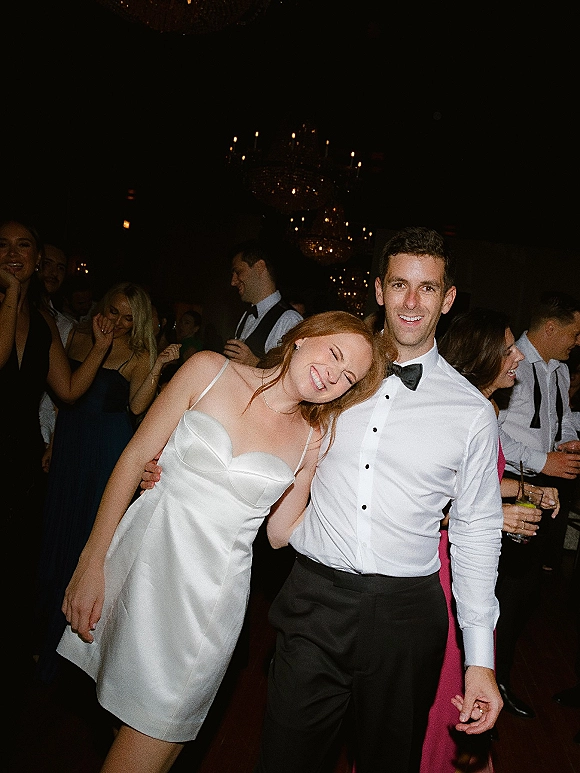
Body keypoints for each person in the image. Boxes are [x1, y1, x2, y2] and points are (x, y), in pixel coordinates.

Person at [57, 311, 388, 773]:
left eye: (348, 377)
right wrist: (91, 562)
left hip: (205, 608)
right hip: (138, 568)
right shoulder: (208, 371)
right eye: (334, 354)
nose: (333, 376)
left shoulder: (313, 439)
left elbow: (280, 533)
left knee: (147, 740)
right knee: (119, 716)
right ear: (303, 338)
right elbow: (134, 458)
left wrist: (378, 518)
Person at [244, 226, 504, 773]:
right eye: (400, 285)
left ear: (447, 299)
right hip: (314, 599)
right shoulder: (331, 374)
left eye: (428, 288)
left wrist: (481, 662)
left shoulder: (472, 413)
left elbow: (477, 532)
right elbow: (258, 421)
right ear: (379, 291)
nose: (412, 302)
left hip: (406, 618)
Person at [34, 281, 180, 684]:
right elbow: (65, 393)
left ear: (140, 323)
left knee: (85, 535)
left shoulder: (136, 352)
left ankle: (67, 646)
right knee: (55, 530)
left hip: (104, 452)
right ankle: (42, 628)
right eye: (113, 310)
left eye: (128, 317)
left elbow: (136, 406)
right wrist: (51, 442)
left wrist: (156, 367)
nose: (117, 321)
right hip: (70, 446)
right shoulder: (78, 334)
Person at [435, 307, 561, 772]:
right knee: (449, 678)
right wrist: (496, 517)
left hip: (469, 561)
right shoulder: (460, 412)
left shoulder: (486, 407)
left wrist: (524, 489)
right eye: (508, 349)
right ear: (481, 354)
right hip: (443, 568)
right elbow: (430, 504)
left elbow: (481, 482)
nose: (518, 358)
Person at [0, 219, 114, 683]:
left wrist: (101, 348)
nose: (13, 253)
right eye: (3, 245)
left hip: (21, 461)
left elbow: (67, 389)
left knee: (15, 565)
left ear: (36, 257)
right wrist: (9, 294)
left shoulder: (43, 319)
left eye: (23, 246)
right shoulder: (6, 304)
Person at [495, 291, 580, 717]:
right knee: (506, 592)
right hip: (512, 485)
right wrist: (541, 459)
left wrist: (568, 438)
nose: (577, 341)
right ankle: (494, 680)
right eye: (574, 331)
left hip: (546, 488)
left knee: (526, 591)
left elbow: (558, 419)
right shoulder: (511, 361)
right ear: (550, 327)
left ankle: (499, 674)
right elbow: (493, 434)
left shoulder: (561, 371)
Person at [224, 240, 303, 367]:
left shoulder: (289, 320)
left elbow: (292, 374)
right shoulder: (247, 314)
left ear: (260, 267)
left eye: (238, 272)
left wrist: (255, 363)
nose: (233, 282)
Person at [37, 243, 75, 468]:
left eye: (60, 268)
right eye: (47, 264)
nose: (53, 273)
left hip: (44, 430)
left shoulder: (64, 325)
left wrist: (53, 443)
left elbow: (66, 391)